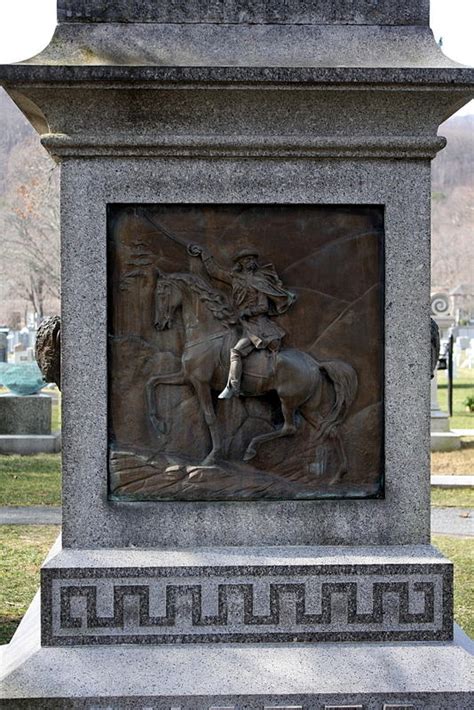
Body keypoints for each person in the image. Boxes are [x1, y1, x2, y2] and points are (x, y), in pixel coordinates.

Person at [189, 245, 296, 398]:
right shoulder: (235, 279)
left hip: (258, 325)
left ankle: (233, 386)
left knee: (236, 351)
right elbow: (215, 272)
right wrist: (203, 253)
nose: (250, 261)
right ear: (241, 263)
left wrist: (247, 312)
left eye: (252, 259)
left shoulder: (259, 281)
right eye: (247, 259)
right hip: (243, 324)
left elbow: (263, 306)